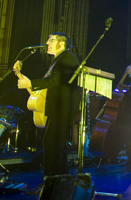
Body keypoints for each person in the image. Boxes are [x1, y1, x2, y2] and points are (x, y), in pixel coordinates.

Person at [15, 32, 82, 177]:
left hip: (63, 107)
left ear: (61, 43)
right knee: (53, 144)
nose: (47, 43)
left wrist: (31, 83)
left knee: (55, 144)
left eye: (51, 40)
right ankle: (56, 178)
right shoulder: (58, 59)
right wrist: (22, 76)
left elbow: (56, 80)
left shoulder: (68, 57)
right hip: (57, 107)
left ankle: (54, 179)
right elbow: (48, 82)